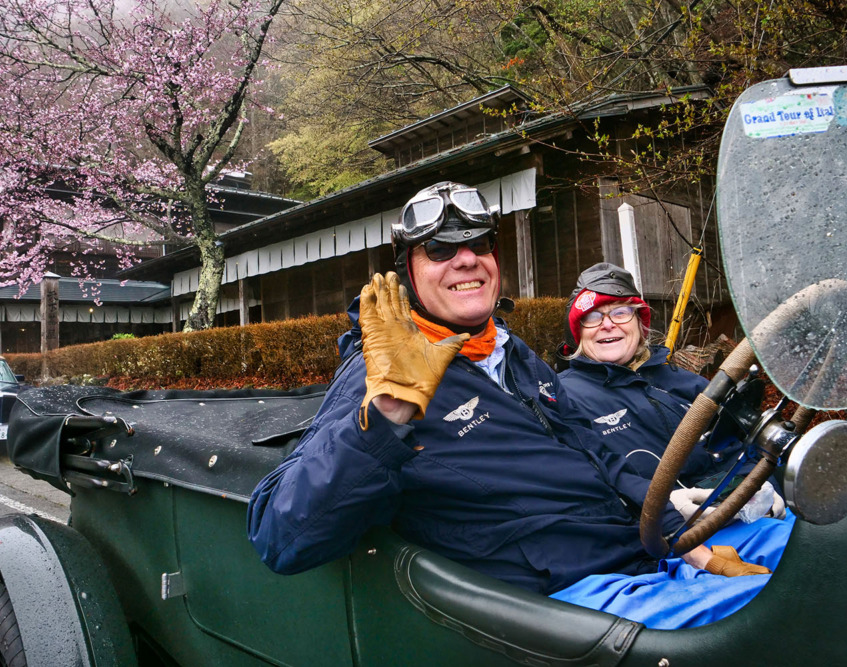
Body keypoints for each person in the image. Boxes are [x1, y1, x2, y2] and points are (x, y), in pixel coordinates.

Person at [248, 182, 784, 629]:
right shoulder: (379, 378)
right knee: (788, 612)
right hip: (569, 598)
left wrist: (691, 545)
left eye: (479, 243)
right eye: (438, 249)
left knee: (825, 546)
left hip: (643, 552)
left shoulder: (510, 351)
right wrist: (387, 414)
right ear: (409, 271)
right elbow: (281, 536)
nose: (466, 259)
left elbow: (600, 453)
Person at [556, 263, 787, 522]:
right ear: (577, 333)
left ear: (640, 323)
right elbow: (585, 488)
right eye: (592, 317)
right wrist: (667, 513)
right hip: (668, 541)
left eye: (620, 312)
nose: (607, 325)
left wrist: (764, 488)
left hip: (749, 516)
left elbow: (741, 444)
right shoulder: (563, 397)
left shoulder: (682, 381)